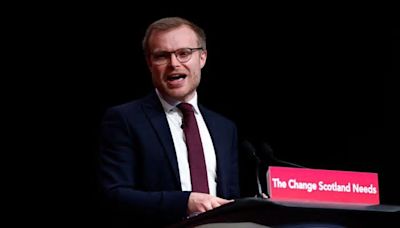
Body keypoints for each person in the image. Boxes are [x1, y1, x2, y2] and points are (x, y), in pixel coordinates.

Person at [99, 17, 240, 227]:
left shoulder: (225, 128)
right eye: (162, 56)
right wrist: (186, 202)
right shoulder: (124, 119)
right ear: (149, 63)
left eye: (184, 53)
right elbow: (114, 195)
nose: (174, 63)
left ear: (202, 57)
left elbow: (229, 197)